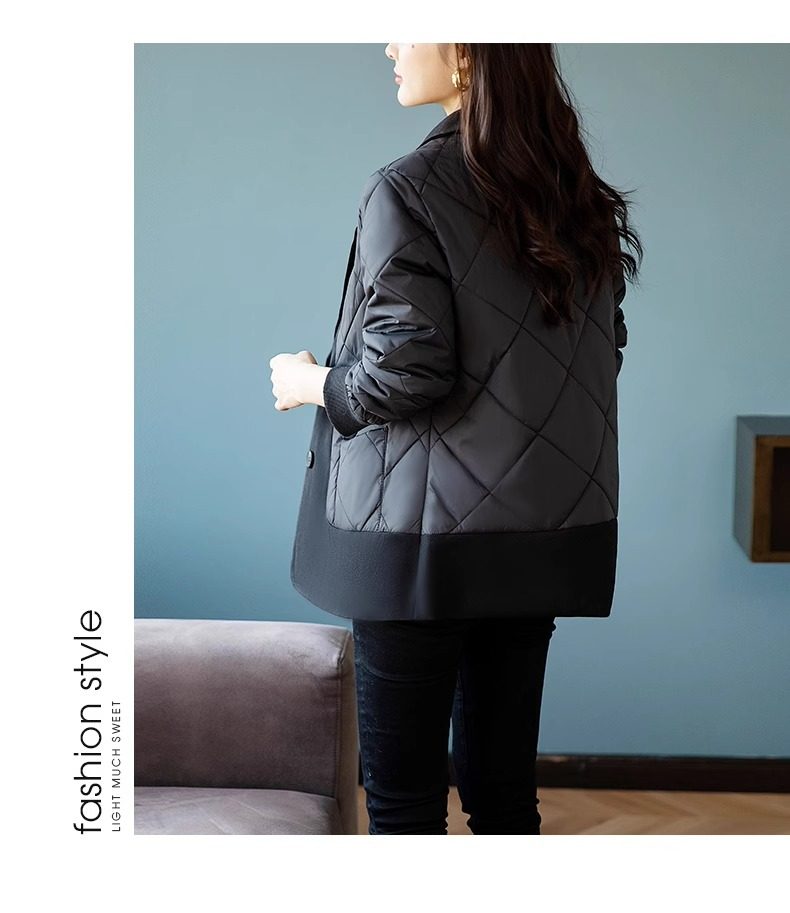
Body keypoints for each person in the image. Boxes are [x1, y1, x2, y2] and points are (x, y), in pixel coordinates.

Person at [270, 43, 642, 835]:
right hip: (538, 537)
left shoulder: (407, 189)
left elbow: (403, 372)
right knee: (504, 798)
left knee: (404, 803)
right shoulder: (572, 189)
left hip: (417, 546)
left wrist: (310, 382)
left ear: (467, 48)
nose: (391, 44)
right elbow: (601, 352)